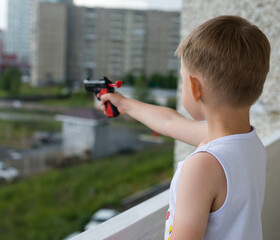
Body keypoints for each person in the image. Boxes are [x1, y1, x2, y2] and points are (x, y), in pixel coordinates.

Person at [99, 15, 270, 240]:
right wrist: (125, 104)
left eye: (182, 78)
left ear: (194, 87)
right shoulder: (246, 142)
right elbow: (169, 122)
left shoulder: (202, 167)